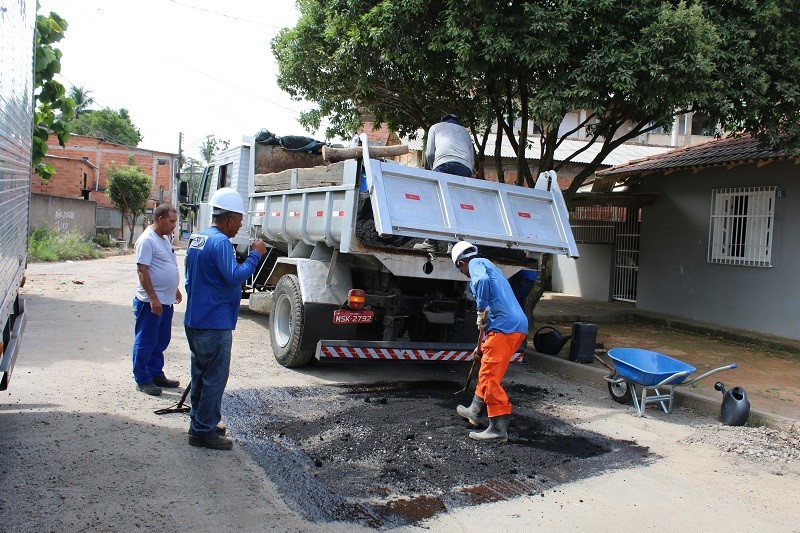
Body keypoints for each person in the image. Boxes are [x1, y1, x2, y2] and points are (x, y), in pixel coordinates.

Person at [184, 187, 267, 450]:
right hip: (214, 322)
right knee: (214, 378)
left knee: (200, 374)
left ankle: (200, 421)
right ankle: (203, 431)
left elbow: (190, 277)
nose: (239, 228)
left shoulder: (198, 238)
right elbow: (234, 276)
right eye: (239, 223)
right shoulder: (220, 243)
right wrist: (256, 255)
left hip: (196, 319)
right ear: (229, 219)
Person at [452, 241, 528, 442]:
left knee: (490, 377)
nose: (465, 274)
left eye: (461, 270)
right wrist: (482, 346)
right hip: (509, 327)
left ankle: (497, 428)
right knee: (486, 370)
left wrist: (480, 309)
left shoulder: (477, 264)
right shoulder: (489, 265)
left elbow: (482, 282)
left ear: (461, 262)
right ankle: (475, 411)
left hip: (505, 328)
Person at [132, 203, 182, 396]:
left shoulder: (164, 238)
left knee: (161, 340)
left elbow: (165, 265)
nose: (174, 226)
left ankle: (155, 373)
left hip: (165, 301)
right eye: (172, 221)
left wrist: (174, 289)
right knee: (146, 340)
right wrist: (153, 298)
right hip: (150, 303)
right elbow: (142, 271)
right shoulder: (147, 240)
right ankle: (142, 379)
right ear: (160, 219)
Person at [414, 113, 475, 253]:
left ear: (444, 121)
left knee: (436, 203)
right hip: (464, 168)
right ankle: (453, 246)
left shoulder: (435, 127)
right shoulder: (465, 133)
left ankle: (430, 242)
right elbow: (472, 160)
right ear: (457, 123)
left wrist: (432, 170)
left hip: (443, 164)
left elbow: (429, 154)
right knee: (457, 206)